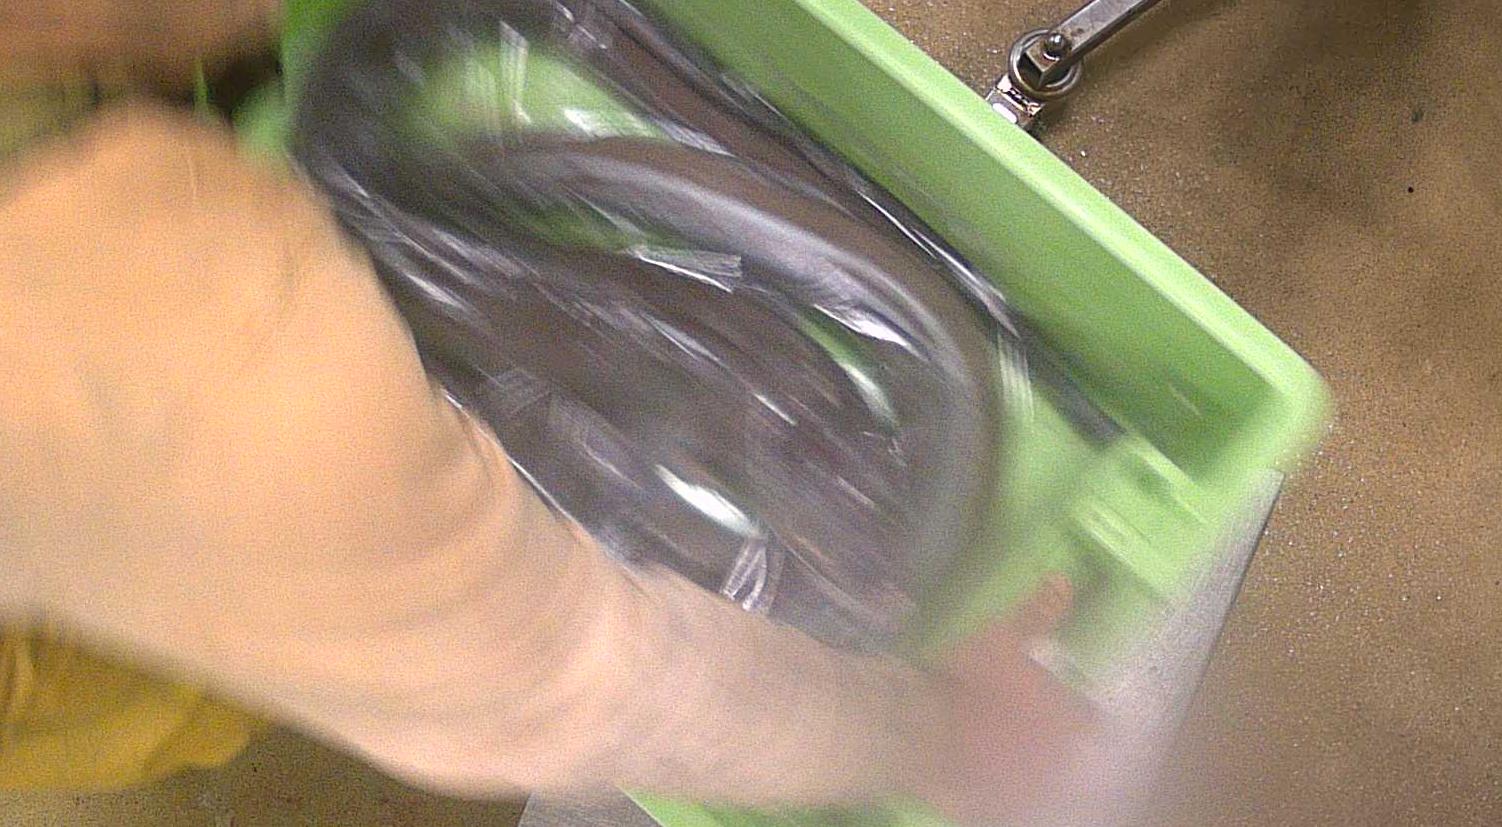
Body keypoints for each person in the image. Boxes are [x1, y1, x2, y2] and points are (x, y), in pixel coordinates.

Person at [0, 3, 1092, 823]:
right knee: (192, 649)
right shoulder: (193, 345)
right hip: (72, 577)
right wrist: (934, 729)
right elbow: (546, 674)